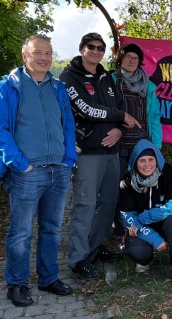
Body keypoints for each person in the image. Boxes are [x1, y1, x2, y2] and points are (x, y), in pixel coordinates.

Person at [0, 35, 76, 307]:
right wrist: (19, 163)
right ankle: (17, 284)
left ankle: (48, 278)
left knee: (51, 229)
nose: (44, 58)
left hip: (58, 170)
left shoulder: (58, 88)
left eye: (48, 53)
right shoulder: (8, 87)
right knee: (21, 232)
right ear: (25, 56)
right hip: (27, 172)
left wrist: (68, 159)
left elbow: (68, 124)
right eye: (38, 52)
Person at [60, 33, 141, 280]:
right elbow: (85, 109)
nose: (96, 51)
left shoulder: (106, 76)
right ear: (82, 49)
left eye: (100, 48)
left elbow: (121, 107)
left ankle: (94, 250)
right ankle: (78, 259)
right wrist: (119, 117)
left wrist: (119, 128)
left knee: (107, 205)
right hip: (87, 153)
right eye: (91, 47)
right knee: (85, 206)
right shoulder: (69, 77)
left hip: (112, 152)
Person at [117, 139, 172, 287]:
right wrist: (155, 239)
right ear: (135, 162)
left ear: (157, 159)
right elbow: (127, 217)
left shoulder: (168, 172)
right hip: (141, 226)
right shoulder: (127, 180)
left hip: (163, 222)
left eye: (151, 159)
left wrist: (143, 218)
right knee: (136, 250)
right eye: (142, 160)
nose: (147, 165)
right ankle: (144, 260)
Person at [112, 43, 163, 176]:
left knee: (140, 187)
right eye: (128, 57)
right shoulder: (110, 81)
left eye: (135, 58)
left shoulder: (149, 86)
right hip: (118, 144)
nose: (132, 61)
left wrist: (156, 146)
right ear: (121, 59)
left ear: (139, 62)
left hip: (142, 145)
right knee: (118, 186)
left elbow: (154, 117)